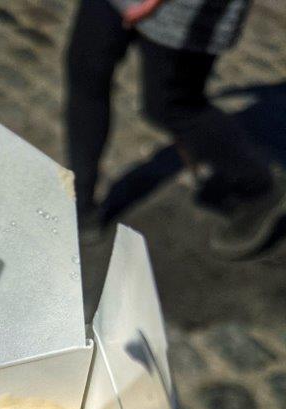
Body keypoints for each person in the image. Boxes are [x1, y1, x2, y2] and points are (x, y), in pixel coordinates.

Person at [65, 0, 286, 257]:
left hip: (186, 11)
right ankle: (79, 205)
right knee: (86, 73)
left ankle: (259, 186)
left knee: (171, 104)